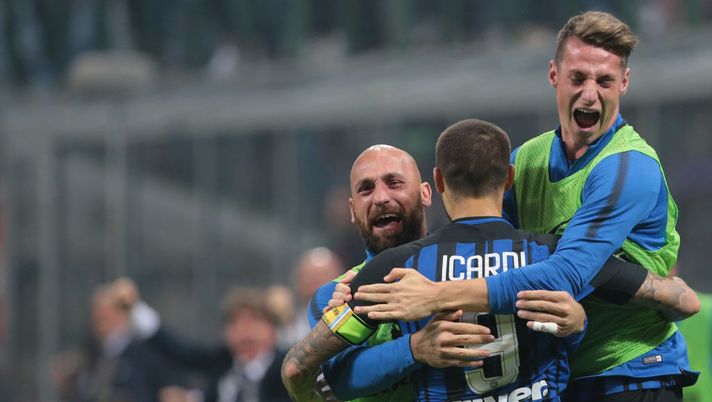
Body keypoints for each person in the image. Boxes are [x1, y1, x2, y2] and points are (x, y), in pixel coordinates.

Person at [349, 11, 699, 402]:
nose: (590, 94)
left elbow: (565, 273)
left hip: (631, 374)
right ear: (554, 75)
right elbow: (477, 243)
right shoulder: (527, 159)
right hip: (560, 377)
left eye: (604, 81)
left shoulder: (628, 167)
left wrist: (436, 294)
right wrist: (362, 282)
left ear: (624, 83)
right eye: (578, 78)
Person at [282, 119, 696, 402]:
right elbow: (676, 299)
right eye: (366, 189)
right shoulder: (548, 257)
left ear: (432, 187)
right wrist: (414, 348)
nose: (381, 197)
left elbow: (308, 373)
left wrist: (577, 324)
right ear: (509, 179)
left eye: (393, 182)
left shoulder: (376, 281)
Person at [117, 279, 291, 402]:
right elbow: (179, 351)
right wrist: (135, 308)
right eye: (235, 323)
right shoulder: (223, 363)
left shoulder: (288, 370)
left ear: (272, 330)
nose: (245, 331)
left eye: (253, 321)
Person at [53, 280, 187, 402]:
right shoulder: (91, 356)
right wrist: (68, 387)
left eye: (104, 314)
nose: (98, 321)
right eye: (96, 314)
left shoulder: (147, 353)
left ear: (121, 314)